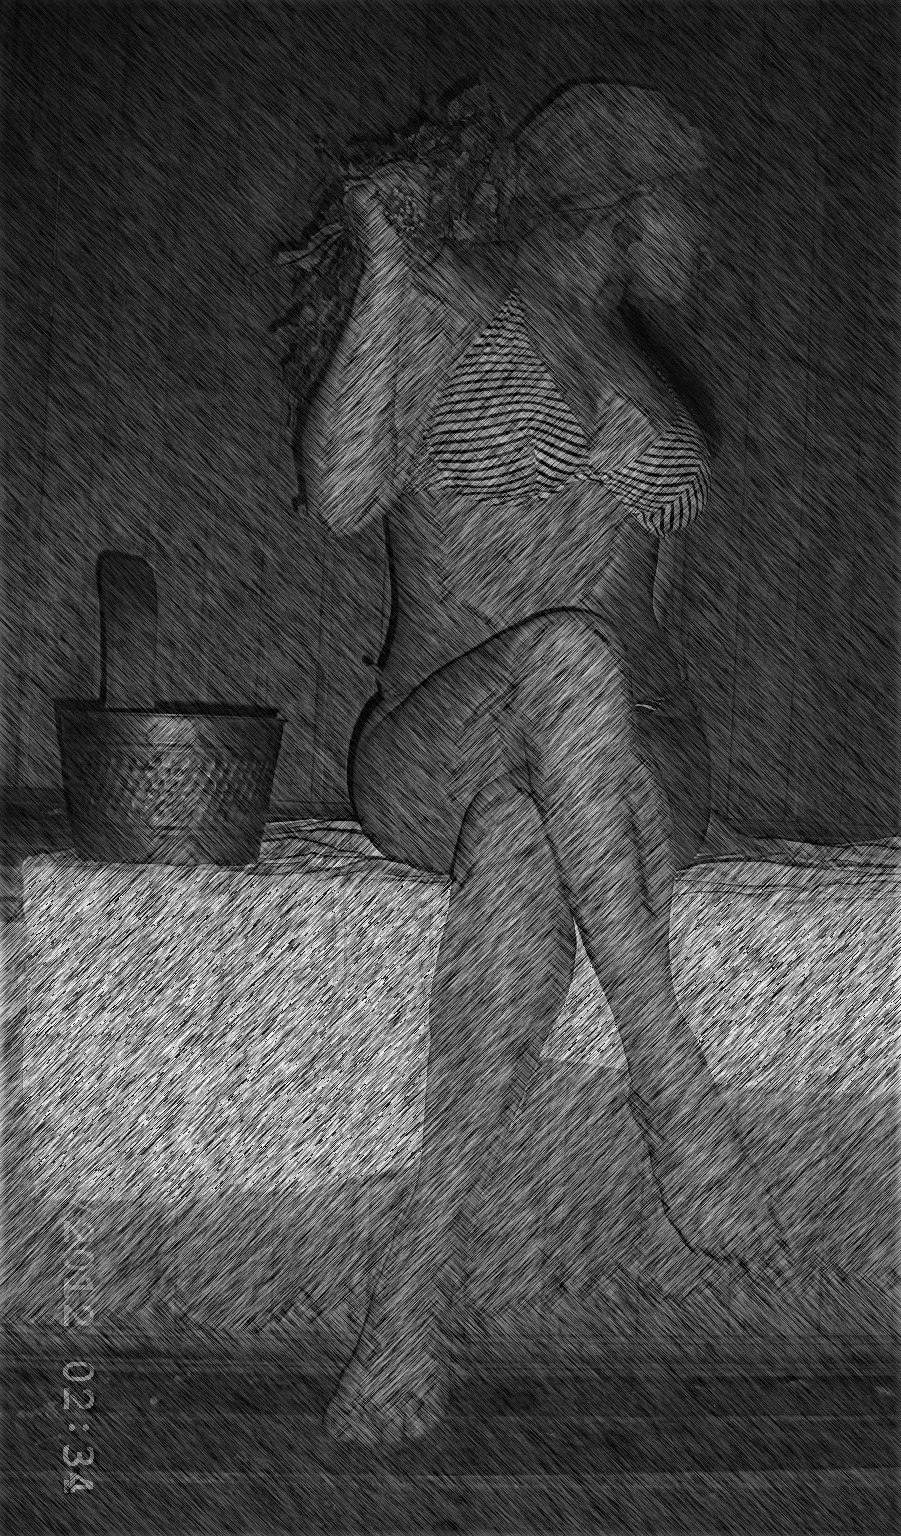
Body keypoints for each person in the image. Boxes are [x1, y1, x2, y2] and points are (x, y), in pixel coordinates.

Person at [299, 82, 792, 1447]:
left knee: (532, 835)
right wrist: (386, 269)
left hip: (628, 753)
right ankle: (667, 1072)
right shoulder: (445, 305)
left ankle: (410, 1302)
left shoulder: (647, 364)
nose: (696, 233)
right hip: (442, 733)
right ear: (618, 203)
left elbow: (651, 596)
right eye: (680, 202)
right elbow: (341, 493)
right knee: (564, 657)